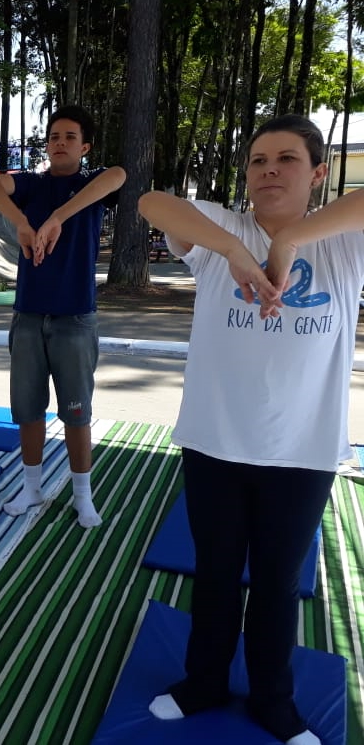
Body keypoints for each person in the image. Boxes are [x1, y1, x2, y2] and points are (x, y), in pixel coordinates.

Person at [138, 114, 364, 745]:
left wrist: (289, 245)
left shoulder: (346, 241)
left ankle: (273, 700)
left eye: (287, 159)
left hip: (303, 449)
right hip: (215, 440)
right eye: (259, 160)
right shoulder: (222, 229)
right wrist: (239, 251)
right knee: (214, 572)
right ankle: (203, 682)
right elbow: (151, 202)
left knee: (276, 583)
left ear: (318, 173)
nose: (270, 169)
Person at [0, 105, 125, 528]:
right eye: (54, 136)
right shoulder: (30, 185)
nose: (60, 143)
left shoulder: (91, 184)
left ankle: (83, 495)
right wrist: (22, 221)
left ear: (84, 146)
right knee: (28, 410)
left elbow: (118, 175)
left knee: (77, 413)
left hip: (75, 318)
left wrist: (58, 217)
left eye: (70, 137)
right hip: (27, 317)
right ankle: (32, 488)